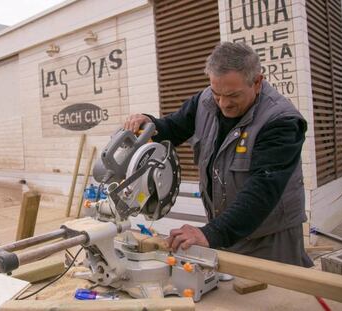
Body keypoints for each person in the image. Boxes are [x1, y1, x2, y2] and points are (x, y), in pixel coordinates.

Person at [124, 42, 313, 267]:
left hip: (269, 237)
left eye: (233, 95)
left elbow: (263, 188)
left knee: (278, 299)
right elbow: (173, 128)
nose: (223, 104)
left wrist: (211, 233)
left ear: (257, 82)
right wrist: (151, 124)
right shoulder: (204, 100)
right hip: (225, 228)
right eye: (217, 93)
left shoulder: (281, 121)